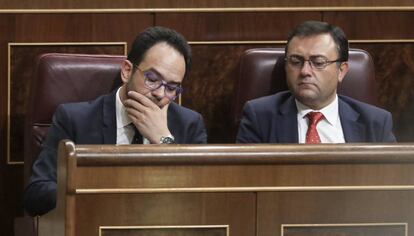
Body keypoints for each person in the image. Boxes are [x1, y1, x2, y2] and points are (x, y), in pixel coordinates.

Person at [24, 26, 207, 216]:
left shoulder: (189, 124)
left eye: (171, 87)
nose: (160, 94)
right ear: (127, 71)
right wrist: (100, 195)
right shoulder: (75, 119)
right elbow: (36, 194)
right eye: (152, 79)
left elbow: (200, 202)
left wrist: (164, 141)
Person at [237, 21, 396, 143]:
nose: (305, 71)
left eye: (318, 63)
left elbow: (390, 182)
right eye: (296, 61)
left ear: (341, 71)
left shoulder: (375, 123)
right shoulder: (259, 117)